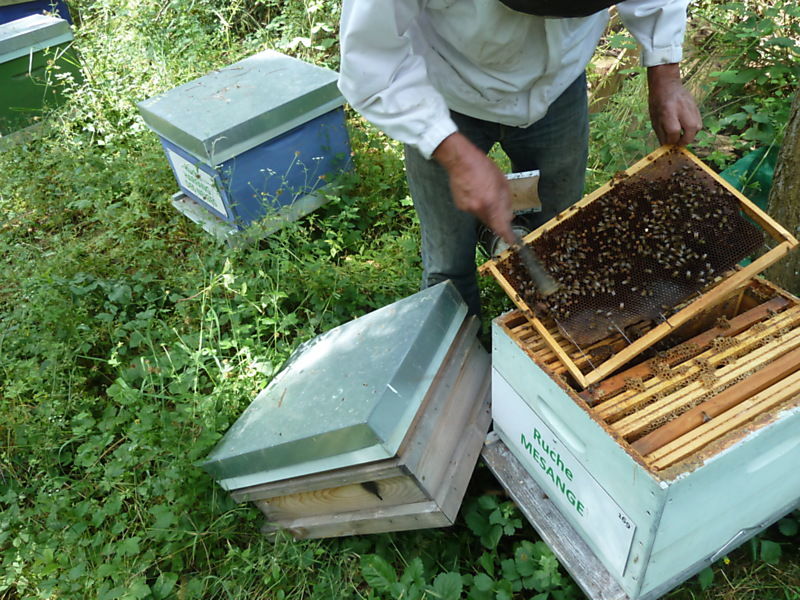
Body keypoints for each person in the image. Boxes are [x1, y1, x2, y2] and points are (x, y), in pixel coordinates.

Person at [338, 0, 703, 318]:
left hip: (559, 90)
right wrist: (448, 149)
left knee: (560, 242)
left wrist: (666, 72)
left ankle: (545, 341)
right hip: (443, 91)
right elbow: (370, 61)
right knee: (448, 262)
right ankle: (460, 360)